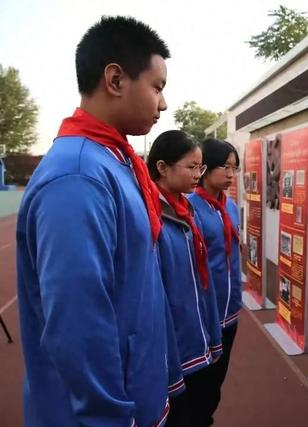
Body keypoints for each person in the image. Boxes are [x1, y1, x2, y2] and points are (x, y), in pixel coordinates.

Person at [15, 16, 171, 426]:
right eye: (157, 87)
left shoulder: (113, 161)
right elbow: (77, 324)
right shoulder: (78, 176)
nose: (163, 104)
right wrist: (110, 417)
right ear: (115, 80)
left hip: (134, 392)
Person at [146, 130, 224, 427]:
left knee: (200, 406)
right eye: (191, 167)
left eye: (200, 167)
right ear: (162, 167)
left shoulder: (184, 208)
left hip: (195, 332)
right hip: (173, 342)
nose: (197, 175)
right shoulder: (150, 214)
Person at [189, 138, 242, 423]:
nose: (231, 175)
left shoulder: (231, 207)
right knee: (200, 380)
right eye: (225, 167)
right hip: (205, 311)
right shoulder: (191, 207)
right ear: (205, 168)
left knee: (217, 378)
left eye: (235, 168)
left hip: (230, 310)